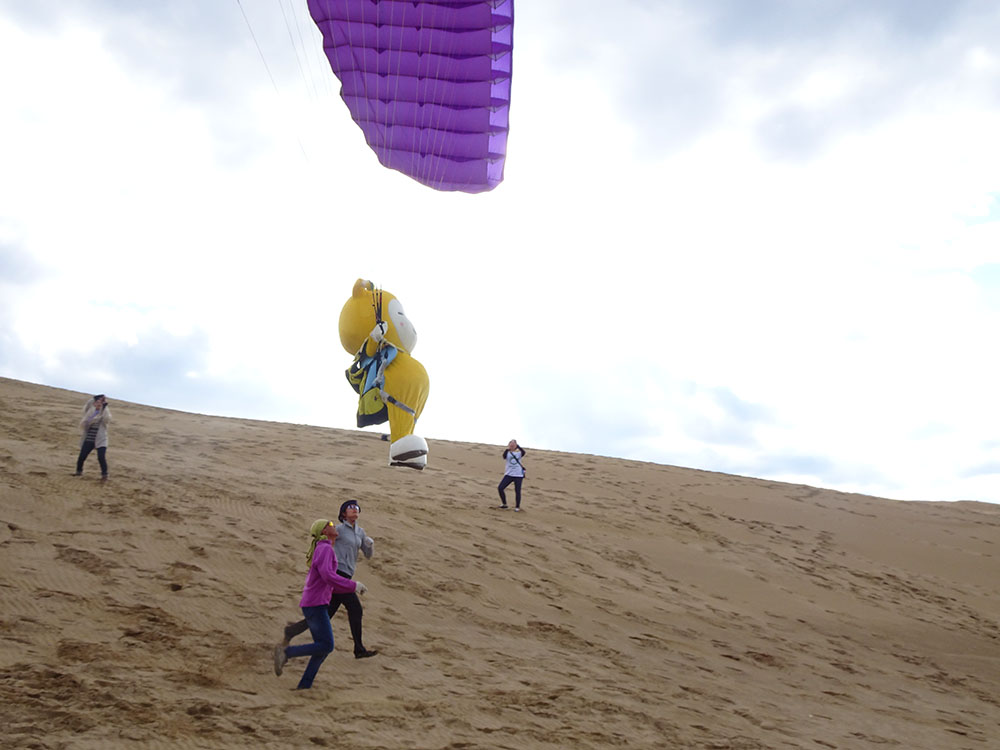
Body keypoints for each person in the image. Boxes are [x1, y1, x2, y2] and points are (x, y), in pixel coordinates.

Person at [273, 519, 367, 690]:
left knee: (322, 649)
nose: (333, 526)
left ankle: (304, 686)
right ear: (323, 532)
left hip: (317, 602)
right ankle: (286, 653)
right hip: (314, 604)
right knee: (327, 645)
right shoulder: (324, 549)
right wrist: (354, 586)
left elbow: (329, 577)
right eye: (329, 525)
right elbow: (328, 576)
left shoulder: (326, 548)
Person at [282, 500, 377, 659]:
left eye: (356, 508)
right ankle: (359, 649)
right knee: (355, 609)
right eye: (350, 508)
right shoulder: (337, 530)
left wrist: (369, 545)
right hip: (337, 574)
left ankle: (292, 631)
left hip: (347, 574)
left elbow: (367, 555)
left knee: (326, 614)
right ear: (343, 513)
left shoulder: (360, 532)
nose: (354, 510)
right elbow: (324, 541)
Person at [75, 394, 111, 479]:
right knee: (82, 456)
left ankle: (104, 474)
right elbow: (85, 423)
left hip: (101, 439)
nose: (99, 404)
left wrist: (103, 409)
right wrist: (95, 413)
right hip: (89, 438)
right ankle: (78, 471)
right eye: (97, 402)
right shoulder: (91, 411)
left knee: (101, 457)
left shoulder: (105, 411)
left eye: (100, 402)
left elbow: (107, 419)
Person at [497, 439, 526, 511]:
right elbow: (503, 456)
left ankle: (517, 507)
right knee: (500, 488)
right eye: (510, 443)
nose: (512, 445)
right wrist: (508, 449)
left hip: (518, 475)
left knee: (517, 491)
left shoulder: (519, 453)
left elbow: (523, 452)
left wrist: (518, 446)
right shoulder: (507, 453)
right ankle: (504, 504)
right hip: (509, 474)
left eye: (513, 444)